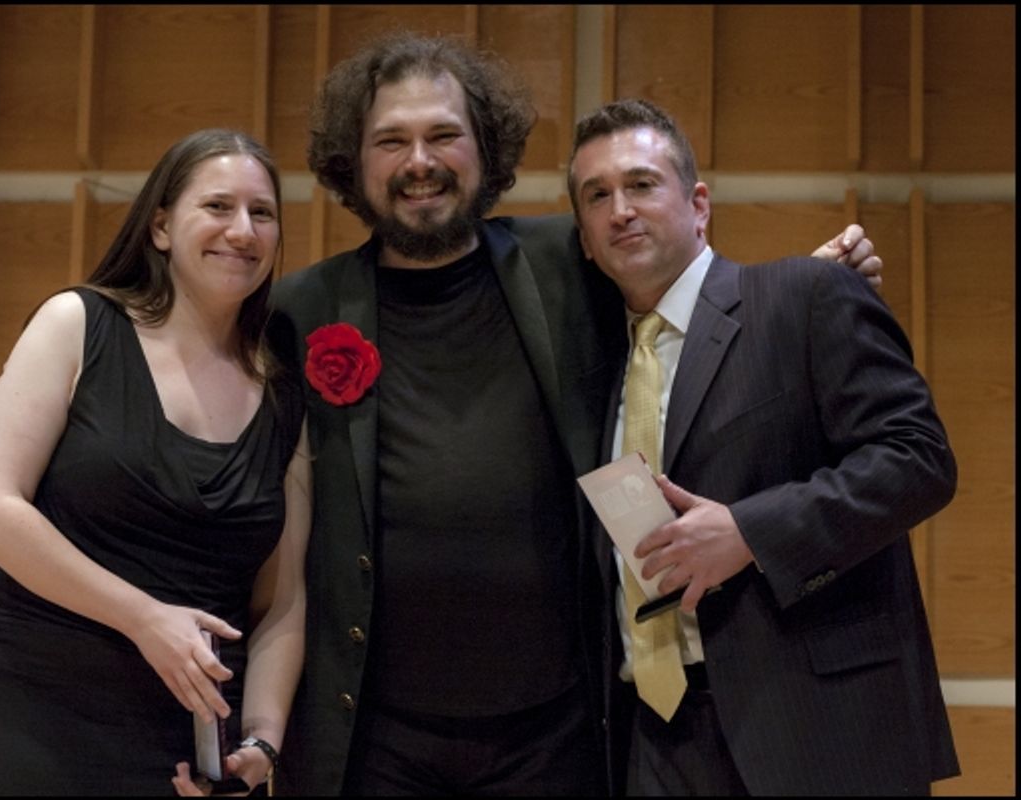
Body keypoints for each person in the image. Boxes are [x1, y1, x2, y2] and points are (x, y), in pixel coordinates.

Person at [250, 33, 886, 797]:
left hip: (557, 730)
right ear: (353, 162)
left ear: (485, 148)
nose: (419, 161)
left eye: (444, 135)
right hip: (373, 736)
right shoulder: (302, 309)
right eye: (391, 141)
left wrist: (805, 293)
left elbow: (696, 308)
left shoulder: (566, 260)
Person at [567, 98, 959, 795]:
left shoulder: (802, 296)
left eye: (641, 184)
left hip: (812, 728)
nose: (620, 209)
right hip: (652, 738)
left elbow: (918, 458)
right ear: (585, 241)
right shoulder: (593, 368)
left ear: (699, 206)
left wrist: (749, 532)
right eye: (598, 196)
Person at [0, 129, 311, 796]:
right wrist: (143, 617)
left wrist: (260, 739)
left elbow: (283, 600)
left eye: (262, 212)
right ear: (160, 227)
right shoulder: (76, 323)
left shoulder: (283, 386)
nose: (242, 230)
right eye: (218, 206)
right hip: (21, 713)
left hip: (170, 745)